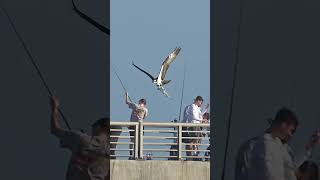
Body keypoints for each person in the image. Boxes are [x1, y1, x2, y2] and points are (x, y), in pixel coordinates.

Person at [235, 107, 320, 180]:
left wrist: (310, 145)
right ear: (283, 124)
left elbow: (290, 166)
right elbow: (266, 173)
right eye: (291, 131)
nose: (291, 135)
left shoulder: (280, 146)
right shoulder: (255, 144)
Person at [50, 96, 110, 180]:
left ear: (99, 127)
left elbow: (55, 129)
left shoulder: (81, 138)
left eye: (93, 126)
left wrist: (54, 108)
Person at [182, 96, 209, 160]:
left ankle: (193, 155)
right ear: (198, 101)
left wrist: (205, 109)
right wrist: (202, 120)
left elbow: (200, 115)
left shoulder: (197, 107)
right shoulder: (192, 106)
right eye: (201, 103)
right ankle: (190, 157)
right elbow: (194, 116)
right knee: (191, 141)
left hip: (196, 126)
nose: (201, 104)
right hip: (191, 125)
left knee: (195, 141)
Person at [125, 91, 148, 159]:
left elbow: (127, 102)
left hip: (133, 125)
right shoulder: (146, 109)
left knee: (132, 140)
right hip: (141, 126)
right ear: (144, 104)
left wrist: (126, 95)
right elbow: (144, 117)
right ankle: (139, 153)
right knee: (140, 140)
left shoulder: (135, 105)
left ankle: (131, 154)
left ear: (140, 102)